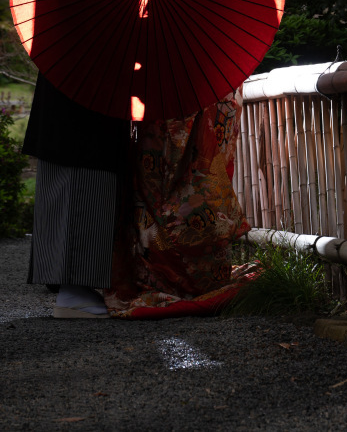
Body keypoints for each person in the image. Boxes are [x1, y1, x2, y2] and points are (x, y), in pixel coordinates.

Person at [104, 89, 255, 318]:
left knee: (159, 183)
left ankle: (157, 274)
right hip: (198, 92)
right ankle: (193, 275)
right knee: (190, 185)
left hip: (166, 97)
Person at [23, 71, 130, 319]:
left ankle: (69, 282)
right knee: (82, 189)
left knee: (73, 187)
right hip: (85, 95)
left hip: (72, 85)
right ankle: (73, 289)